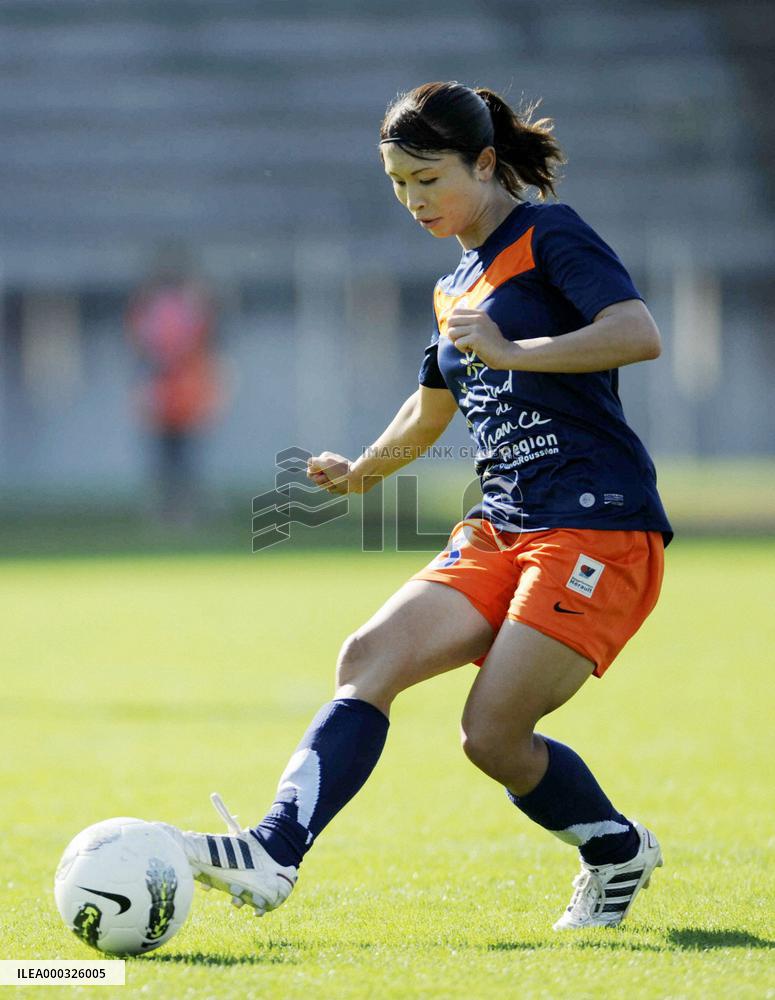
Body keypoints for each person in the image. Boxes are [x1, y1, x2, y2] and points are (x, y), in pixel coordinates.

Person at [158, 82, 672, 931]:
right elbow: (431, 407)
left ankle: (614, 850)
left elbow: (637, 330)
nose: (413, 201)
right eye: (398, 184)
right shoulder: (454, 283)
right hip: (502, 522)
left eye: (428, 179)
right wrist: (361, 471)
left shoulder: (551, 234)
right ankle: (273, 851)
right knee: (367, 657)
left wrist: (517, 349)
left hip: (596, 521)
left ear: (482, 161)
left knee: (491, 736)